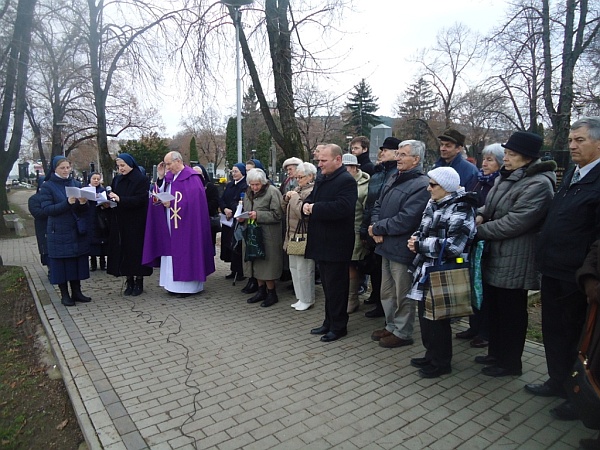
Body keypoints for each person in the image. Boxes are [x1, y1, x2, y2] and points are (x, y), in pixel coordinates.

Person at [526, 117, 600, 421]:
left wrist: (587, 273)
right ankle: (556, 380)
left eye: (579, 140)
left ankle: (576, 394)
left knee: (572, 334)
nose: (571, 146)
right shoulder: (572, 174)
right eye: (570, 140)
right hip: (553, 267)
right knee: (553, 331)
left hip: (575, 274)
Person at [474, 132, 556, 377]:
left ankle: (510, 363)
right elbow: (489, 206)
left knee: (511, 312)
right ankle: (496, 353)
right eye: (506, 153)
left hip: (517, 256)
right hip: (496, 253)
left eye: (511, 154)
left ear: (528, 158)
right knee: (495, 308)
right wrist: (478, 214)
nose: (506, 158)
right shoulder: (506, 177)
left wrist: (479, 231)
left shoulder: (539, 184)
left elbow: (516, 222)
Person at [407, 167, 477, 378]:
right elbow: (423, 228)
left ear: (446, 187)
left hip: (443, 270)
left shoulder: (462, 207)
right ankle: (431, 355)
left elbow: (455, 245)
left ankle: (441, 362)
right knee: (426, 317)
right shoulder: (433, 203)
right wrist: (415, 239)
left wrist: (419, 244)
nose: (428, 189)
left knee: (439, 319)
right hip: (425, 268)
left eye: (433, 185)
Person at [369, 140, 430, 348]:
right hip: (385, 244)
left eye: (403, 155)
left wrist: (379, 228)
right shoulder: (395, 176)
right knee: (386, 291)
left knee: (402, 292)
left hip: (402, 247)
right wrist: (374, 225)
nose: (398, 158)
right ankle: (390, 325)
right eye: (398, 154)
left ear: (416, 159)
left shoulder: (421, 185)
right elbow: (377, 204)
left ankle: (403, 332)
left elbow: (408, 218)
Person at [143, 151, 216, 297]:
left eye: (169, 164)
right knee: (171, 253)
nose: (168, 167)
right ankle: (172, 286)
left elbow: (194, 203)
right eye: (166, 164)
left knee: (187, 252)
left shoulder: (192, 178)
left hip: (188, 226)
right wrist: (161, 177)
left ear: (178, 161)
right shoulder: (170, 177)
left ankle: (188, 288)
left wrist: (173, 203)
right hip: (171, 223)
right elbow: (161, 192)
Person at [304, 144, 357, 342]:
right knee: (327, 286)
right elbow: (310, 199)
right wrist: (306, 206)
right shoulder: (323, 177)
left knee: (337, 287)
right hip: (321, 241)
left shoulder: (346, 181)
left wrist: (314, 208)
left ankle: (339, 326)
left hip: (337, 243)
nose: (320, 164)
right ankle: (328, 322)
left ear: (338, 160)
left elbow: (343, 207)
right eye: (319, 160)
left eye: (323, 160)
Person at [455, 143, 504, 348]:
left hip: (487, 242)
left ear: (500, 163)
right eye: (484, 159)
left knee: (482, 287)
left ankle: (485, 332)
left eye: (490, 160)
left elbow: (495, 211)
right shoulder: (478, 179)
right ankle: (473, 326)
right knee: (471, 284)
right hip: (472, 240)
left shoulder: (498, 184)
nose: (484, 163)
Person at [39, 156, 92, 306]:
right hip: (58, 231)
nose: (66, 170)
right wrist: (67, 203)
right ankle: (65, 295)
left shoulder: (75, 183)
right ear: (55, 169)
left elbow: (83, 211)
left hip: (75, 229)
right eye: (62, 168)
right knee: (62, 264)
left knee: (76, 261)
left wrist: (83, 203)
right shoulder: (48, 186)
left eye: (68, 167)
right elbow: (47, 209)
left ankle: (77, 292)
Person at [360, 136, 402, 318]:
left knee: (388, 272)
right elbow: (370, 204)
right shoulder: (377, 175)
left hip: (387, 230)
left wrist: (379, 226)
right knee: (376, 267)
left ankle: (389, 311)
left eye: (386, 150)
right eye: (382, 150)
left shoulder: (397, 174)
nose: (382, 153)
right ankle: (378, 301)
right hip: (372, 226)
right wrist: (366, 227)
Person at [105, 153, 153, 296]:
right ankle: (129, 280)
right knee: (124, 251)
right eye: (119, 166)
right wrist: (108, 202)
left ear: (130, 164)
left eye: (123, 165)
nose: (121, 169)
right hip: (120, 221)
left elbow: (141, 199)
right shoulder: (117, 179)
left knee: (136, 252)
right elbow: (114, 196)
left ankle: (139, 281)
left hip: (136, 222)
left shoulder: (141, 179)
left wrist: (121, 199)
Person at [240, 168, 284, 307]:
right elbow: (246, 210)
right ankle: (261, 291)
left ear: (263, 182)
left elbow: (278, 215)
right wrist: (242, 217)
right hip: (252, 234)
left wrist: (258, 215)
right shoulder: (248, 193)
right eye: (252, 185)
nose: (254, 188)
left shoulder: (272, 192)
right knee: (256, 263)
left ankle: (272, 293)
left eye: (257, 185)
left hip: (268, 235)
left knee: (267, 265)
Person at [282, 162, 316, 311]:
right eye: (297, 177)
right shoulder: (298, 189)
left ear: (310, 176)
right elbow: (285, 210)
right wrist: (286, 198)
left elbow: (303, 214)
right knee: (294, 268)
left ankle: (307, 298)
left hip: (304, 235)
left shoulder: (312, 191)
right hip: (292, 235)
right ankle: (300, 297)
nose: (297, 180)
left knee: (305, 270)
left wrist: (294, 198)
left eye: (301, 177)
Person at [342, 153, 370, 313]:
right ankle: (346, 296)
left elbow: (368, 210)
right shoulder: (341, 182)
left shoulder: (365, 185)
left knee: (352, 265)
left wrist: (364, 232)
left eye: (346, 167)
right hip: (341, 232)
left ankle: (352, 299)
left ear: (354, 167)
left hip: (356, 231)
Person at [219, 163, 248, 285]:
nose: (233, 173)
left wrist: (232, 209)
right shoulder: (230, 185)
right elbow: (223, 199)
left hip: (237, 219)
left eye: (236, 171)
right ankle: (232, 269)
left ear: (242, 172)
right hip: (227, 219)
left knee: (238, 244)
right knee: (229, 244)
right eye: (232, 171)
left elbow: (240, 201)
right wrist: (225, 208)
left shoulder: (245, 185)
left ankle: (240, 271)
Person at [193, 165, 220, 249]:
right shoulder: (190, 187)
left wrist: (201, 208)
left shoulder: (210, 187)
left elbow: (215, 202)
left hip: (207, 219)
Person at [87, 172, 109, 271]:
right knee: (92, 241)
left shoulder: (103, 190)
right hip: (89, 217)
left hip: (101, 218)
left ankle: (103, 262)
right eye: (94, 178)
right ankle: (93, 262)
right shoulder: (85, 190)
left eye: (98, 179)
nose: (96, 181)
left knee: (102, 241)